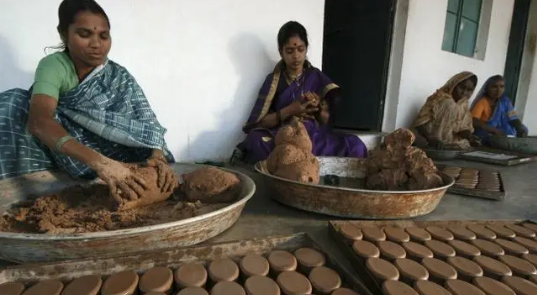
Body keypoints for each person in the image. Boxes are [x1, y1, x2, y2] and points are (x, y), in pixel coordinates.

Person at [0, 0, 176, 199]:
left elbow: (147, 124)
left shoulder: (118, 76)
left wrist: (157, 157)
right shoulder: (54, 66)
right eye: (84, 34)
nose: (96, 44)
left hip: (123, 159)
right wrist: (102, 164)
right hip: (72, 157)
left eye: (104, 36)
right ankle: (23, 194)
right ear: (65, 34)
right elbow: (40, 122)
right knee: (13, 102)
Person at [234, 21, 367, 164]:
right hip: (282, 136)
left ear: (306, 49)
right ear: (281, 51)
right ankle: (300, 160)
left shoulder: (316, 77)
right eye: (290, 51)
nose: (296, 56)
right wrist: (291, 110)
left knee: (355, 144)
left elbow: (324, 120)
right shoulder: (273, 81)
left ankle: (293, 161)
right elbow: (261, 122)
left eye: (300, 49)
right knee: (256, 139)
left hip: (311, 138)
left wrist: (318, 109)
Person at [412, 71, 480, 150]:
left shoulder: (463, 105)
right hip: (429, 140)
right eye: (461, 87)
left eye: (469, 90)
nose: (464, 92)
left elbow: (460, 129)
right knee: (448, 104)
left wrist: (470, 137)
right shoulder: (438, 99)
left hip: (449, 142)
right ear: (454, 84)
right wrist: (429, 137)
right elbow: (419, 123)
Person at [470, 75, 528, 141]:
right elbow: (474, 121)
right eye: (494, 87)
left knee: (522, 129)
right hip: (486, 131)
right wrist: (494, 130)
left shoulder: (505, 101)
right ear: (487, 88)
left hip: (501, 131)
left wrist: (520, 128)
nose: (498, 90)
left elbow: (513, 118)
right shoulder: (482, 102)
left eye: (502, 87)